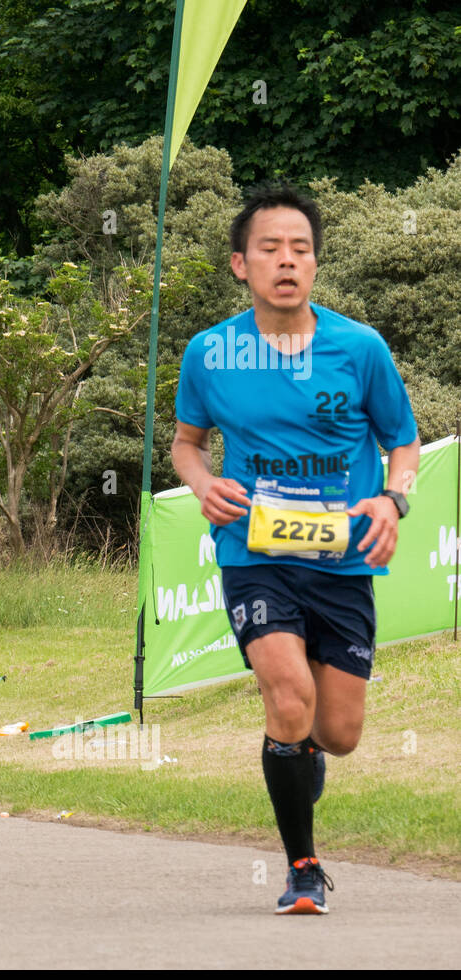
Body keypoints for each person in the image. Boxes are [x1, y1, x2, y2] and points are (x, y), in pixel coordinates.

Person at [171, 183, 420, 915]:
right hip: (256, 552)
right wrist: (201, 484)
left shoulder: (360, 348)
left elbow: (401, 443)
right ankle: (303, 868)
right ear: (239, 264)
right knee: (287, 696)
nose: (287, 261)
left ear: (315, 263)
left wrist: (392, 498)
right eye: (271, 248)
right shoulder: (210, 353)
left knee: (335, 733)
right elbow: (186, 444)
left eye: (301, 249)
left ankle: (298, 753)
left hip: (342, 560)